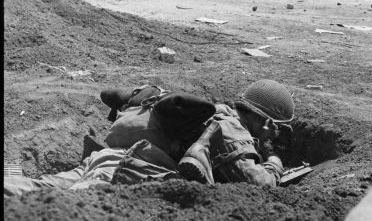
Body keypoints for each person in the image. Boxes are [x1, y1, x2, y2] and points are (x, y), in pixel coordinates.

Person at [4, 79, 294, 196]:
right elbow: (258, 184)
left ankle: (10, 176)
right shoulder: (232, 127)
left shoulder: (212, 113)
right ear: (267, 121)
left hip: (106, 156)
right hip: (130, 168)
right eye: (276, 126)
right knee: (68, 202)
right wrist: (274, 161)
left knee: (37, 187)